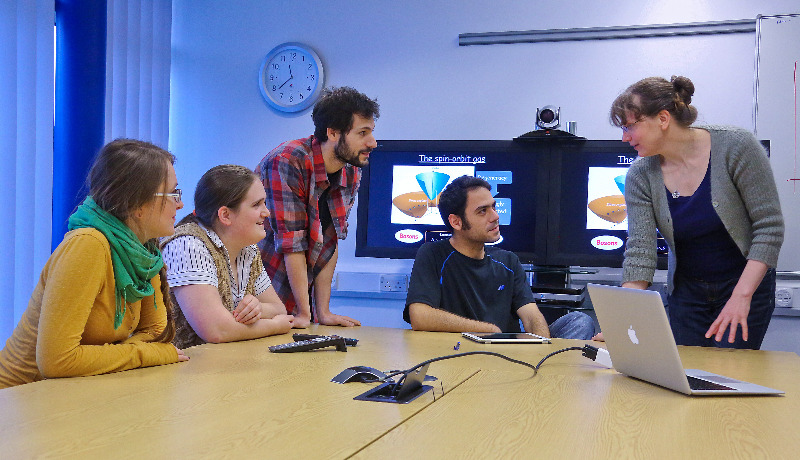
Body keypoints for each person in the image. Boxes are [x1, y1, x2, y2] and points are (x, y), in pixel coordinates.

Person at [604, 75, 784, 349]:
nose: (624, 137)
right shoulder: (640, 175)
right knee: (685, 374)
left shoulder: (736, 146)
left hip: (745, 285)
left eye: (630, 126)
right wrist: (622, 317)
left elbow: (769, 227)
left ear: (663, 119)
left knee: (729, 374)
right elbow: (640, 250)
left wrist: (742, 296)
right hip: (687, 291)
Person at [0, 139, 189, 389]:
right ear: (137, 204)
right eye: (172, 193)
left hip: (77, 392)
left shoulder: (143, 247)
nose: (181, 204)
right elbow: (57, 361)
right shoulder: (88, 245)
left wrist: (129, 353)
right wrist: (148, 354)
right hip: (21, 398)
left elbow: (156, 331)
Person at [404, 175, 595, 339]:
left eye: (493, 207)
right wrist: (489, 330)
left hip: (508, 352)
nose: (495, 216)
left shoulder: (508, 261)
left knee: (580, 321)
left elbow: (530, 316)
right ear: (456, 221)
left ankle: (544, 375)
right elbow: (420, 316)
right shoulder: (433, 254)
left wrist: (541, 348)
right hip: (461, 353)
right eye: (482, 211)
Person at [256, 86, 379, 328]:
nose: (372, 142)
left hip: (301, 292)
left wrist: (322, 312)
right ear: (332, 133)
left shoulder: (351, 169)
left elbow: (329, 241)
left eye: (372, 132)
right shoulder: (287, 160)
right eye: (363, 132)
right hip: (262, 291)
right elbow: (292, 244)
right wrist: (304, 312)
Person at [160, 165, 295, 348]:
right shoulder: (188, 245)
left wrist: (258, 308)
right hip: (177, 371)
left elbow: (279, 309)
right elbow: (217, 330)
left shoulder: (248, 249)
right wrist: (274, 326)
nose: (266, 212)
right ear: (225, 215)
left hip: (219, 366)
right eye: (256, 204)